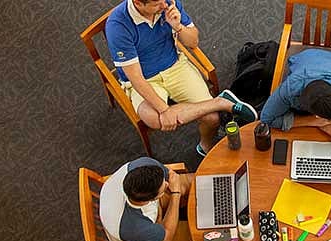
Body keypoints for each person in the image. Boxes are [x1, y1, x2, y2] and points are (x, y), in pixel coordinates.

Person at [105, 0, 258, 156]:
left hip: (176, 67)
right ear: (138, 3)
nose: (164, 6)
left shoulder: (169, 3)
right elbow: (136, 78)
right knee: (155, 119)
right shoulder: (117, 26)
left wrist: (178, 26)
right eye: (157, 4)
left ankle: (205, 145)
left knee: (212, 119)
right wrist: (164, 110)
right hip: (145, 79)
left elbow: (193, 42)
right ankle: (219, 102)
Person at [259, 49, 331, 156]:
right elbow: (266, 120)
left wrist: (330, 129)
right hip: (307, 59)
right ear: (318, 115)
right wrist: (311, 121)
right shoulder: (291, 88)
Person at [99, 157, 191, 241]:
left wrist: (175, 187)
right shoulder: (136, 228)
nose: (167, 184)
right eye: (163, 188)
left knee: (200, 180)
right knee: (201, 235)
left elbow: (171, 175)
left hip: (150, 211)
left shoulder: (144, 164)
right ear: (151, 199)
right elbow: (167, 234)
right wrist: (176, 194)